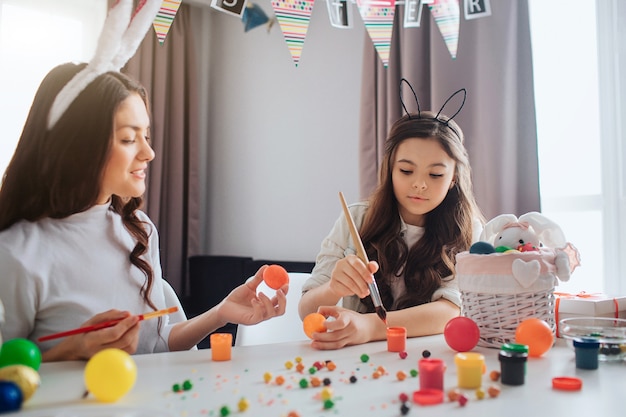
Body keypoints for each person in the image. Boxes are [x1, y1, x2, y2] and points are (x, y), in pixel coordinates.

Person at [0, 62, 288, 362]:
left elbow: (156, 346)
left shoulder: (139, 229)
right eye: (128, 138)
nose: (148, 153)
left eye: (146, 136)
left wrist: (222, 312)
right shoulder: (17, 253)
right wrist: (72, 351)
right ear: (76, 144)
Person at [298, 87, 484, 350]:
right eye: (406, 170)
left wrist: (370, 327)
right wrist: (334, 288)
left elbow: (449, 311)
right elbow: (306, 310)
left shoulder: (469, 231)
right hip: (356, 363)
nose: (419, 184)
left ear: (453, 178)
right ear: (390, 169)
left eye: (435, 175)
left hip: (426, 357)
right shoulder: (357, 218)